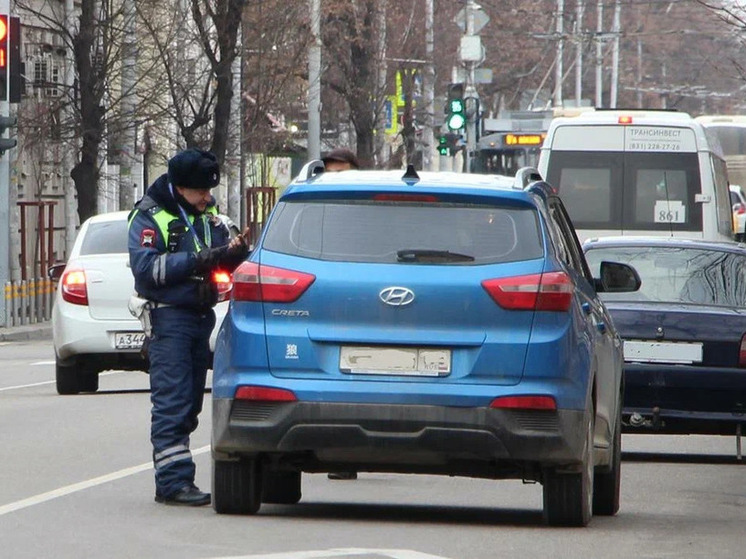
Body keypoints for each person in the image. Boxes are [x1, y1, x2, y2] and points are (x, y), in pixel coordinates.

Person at [128, 148, 249, 506]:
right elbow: (148, 269)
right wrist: (199, 259)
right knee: (172, 402)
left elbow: (217, 252)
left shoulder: (206, 212)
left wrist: (233, 252)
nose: (208, 198)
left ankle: (177, 477)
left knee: (192, 401)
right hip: (169, 318)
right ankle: (172, 483)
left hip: (200, 315)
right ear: (181, 188)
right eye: (202, 192)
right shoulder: (149, 217)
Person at [321, 145, 360, 481]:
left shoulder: (369, 207)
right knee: (340, 371)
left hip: (363, 300)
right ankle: (340, 453)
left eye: (342, 171)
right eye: (330, 172)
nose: (335, 179)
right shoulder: (317, 207)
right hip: (330, 300)